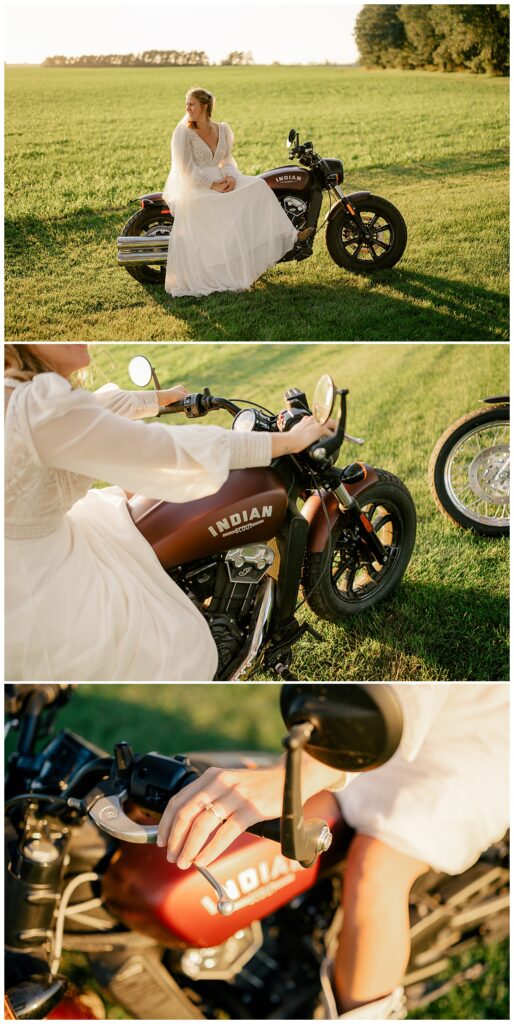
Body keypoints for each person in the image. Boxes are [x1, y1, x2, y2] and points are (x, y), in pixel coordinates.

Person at [156, 683, 509, 1020]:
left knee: (377, 867)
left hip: (482, 734)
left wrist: (292, 775)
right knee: (293, 827)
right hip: (380, 726)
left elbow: (411, 692)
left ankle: (361, 1014)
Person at [5, 344, 331, 682]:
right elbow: (162, 450)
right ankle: (222, 649)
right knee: (177, 645)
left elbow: (90, 413)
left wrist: (163, 397)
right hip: (43, 584)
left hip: (30, 554)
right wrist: (286, 442)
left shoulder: (18, 393)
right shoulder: (37, 403)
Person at [163, 88, 310, 298]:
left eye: (191, 104)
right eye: (186, 104)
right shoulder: (183, 132)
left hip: (224, 178)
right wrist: (212, 186)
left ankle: (290, 234)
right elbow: (186, 169)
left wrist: (230, 177)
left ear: (205, 106)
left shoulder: (222, 129)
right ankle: (223, 263)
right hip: (197, 186)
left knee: (258, 186)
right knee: (221, 204)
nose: (187, 108)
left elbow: (227, 161)